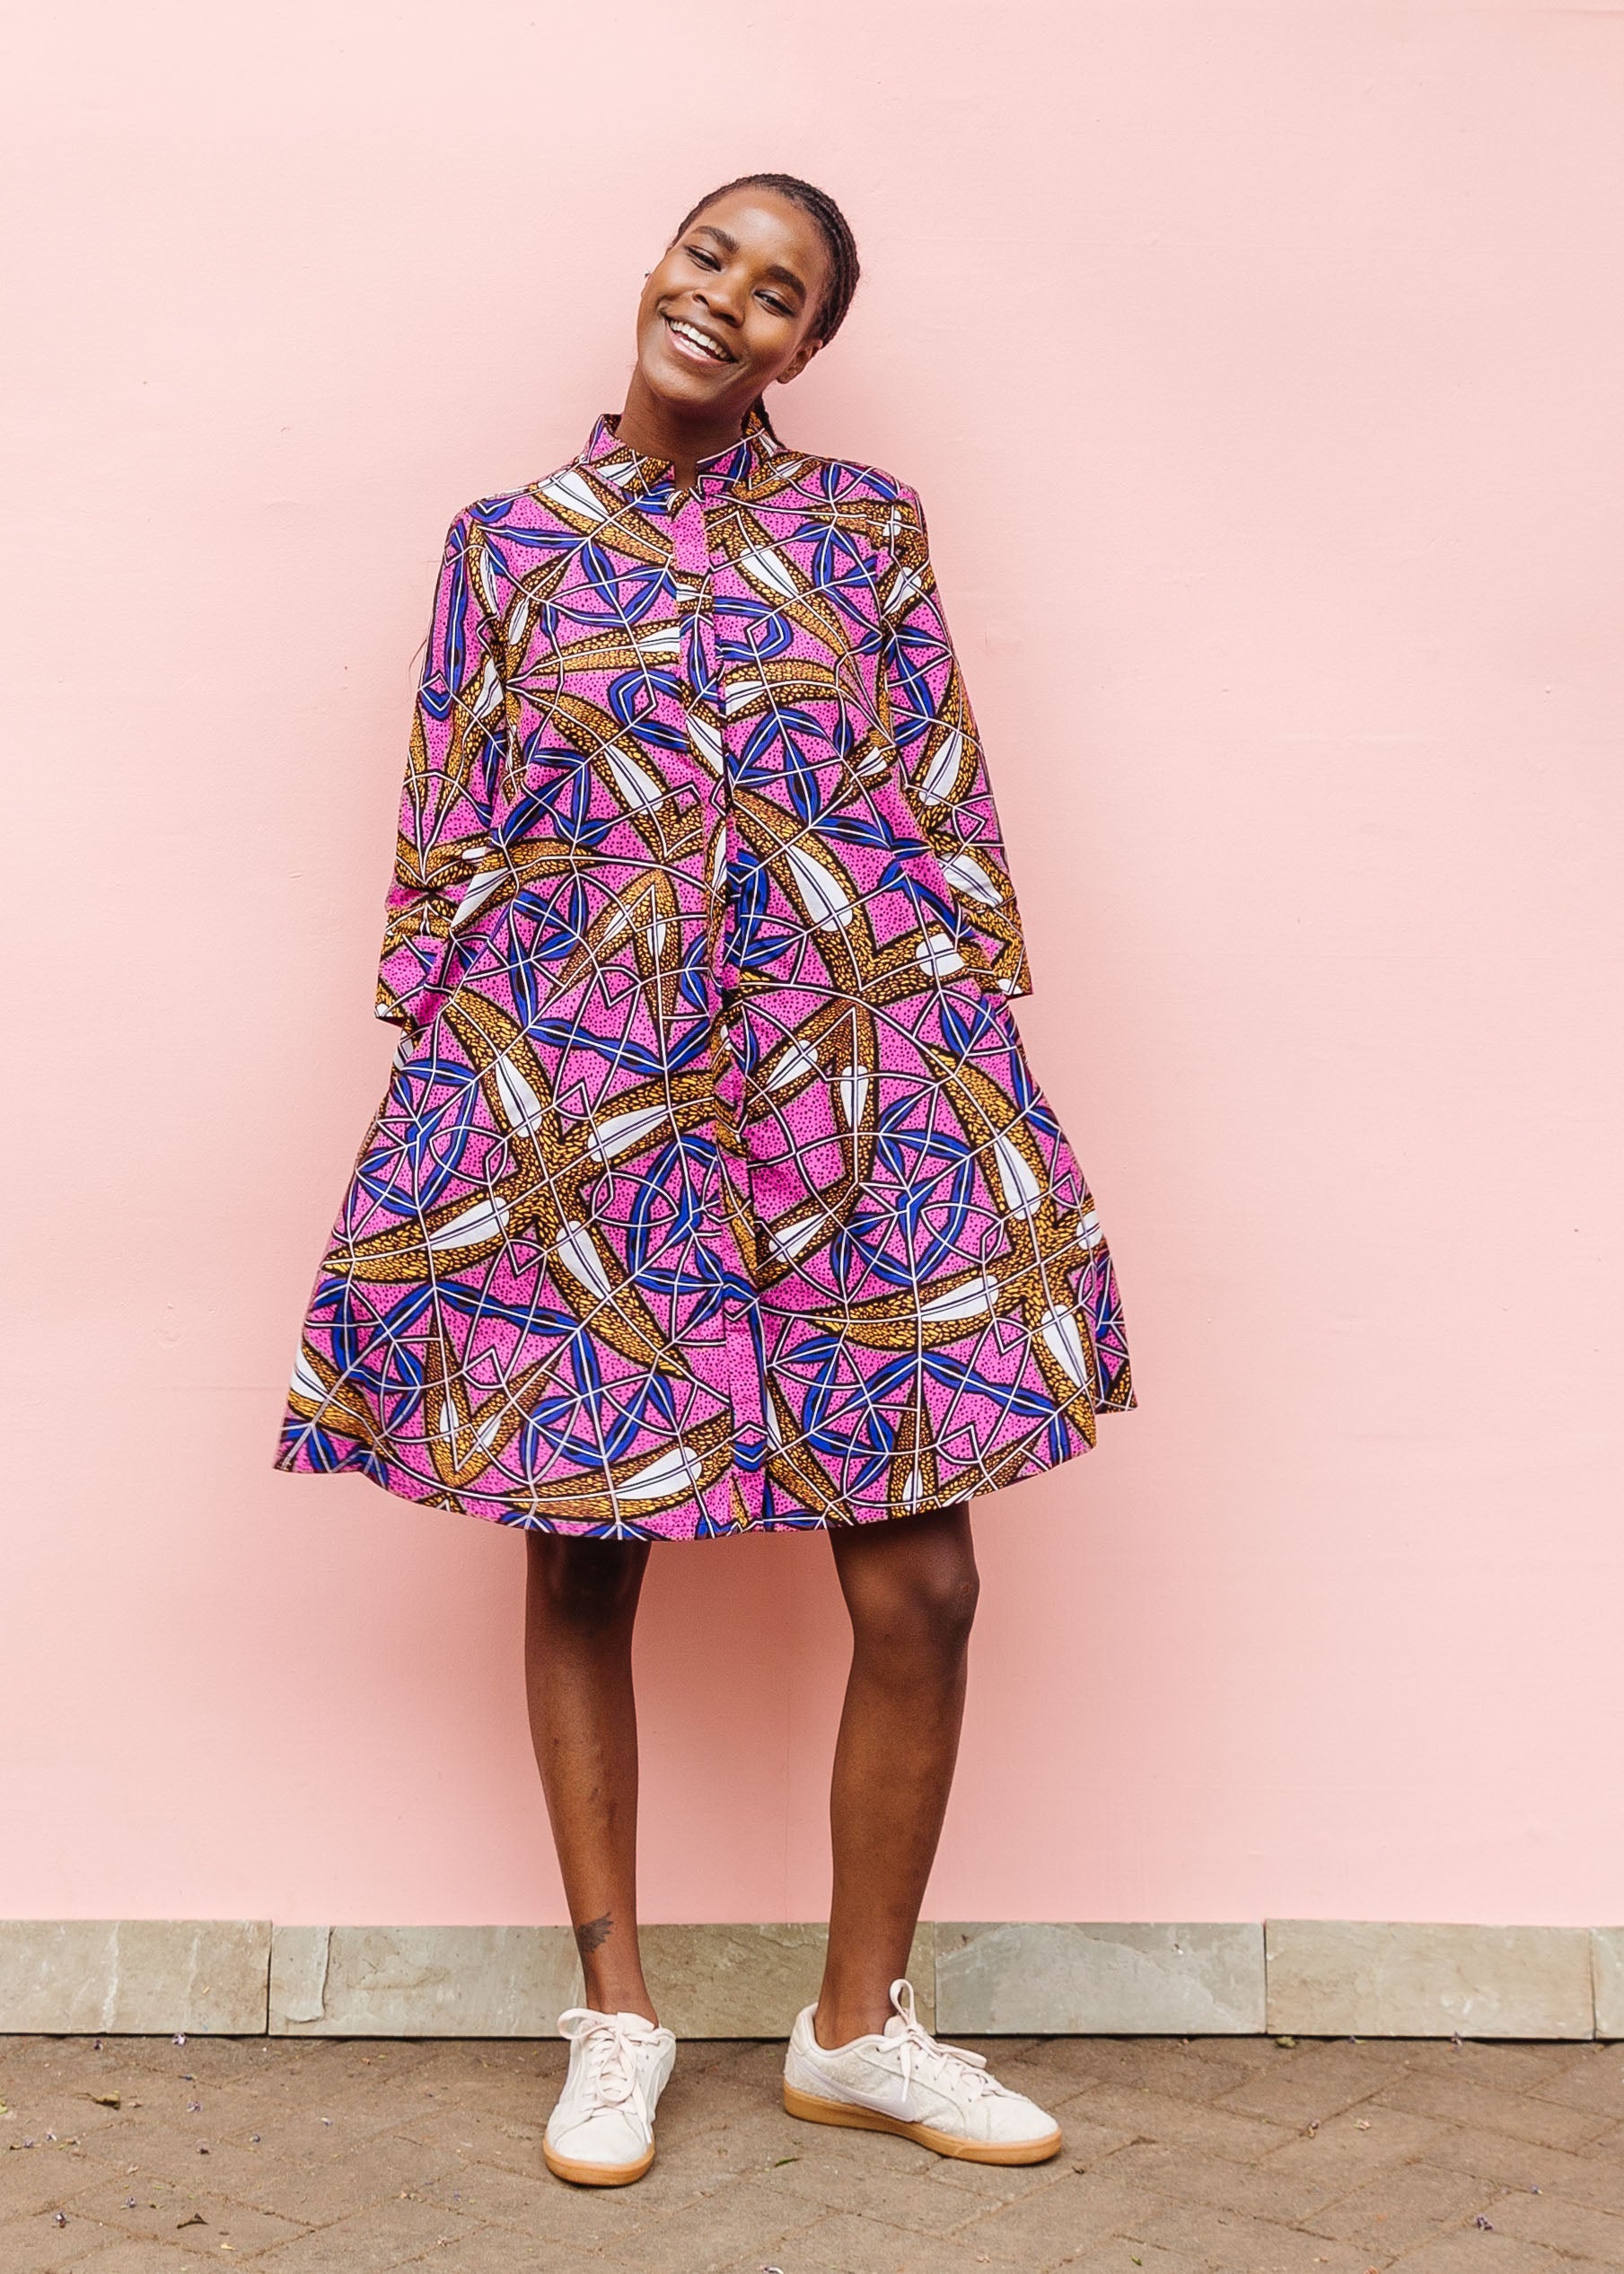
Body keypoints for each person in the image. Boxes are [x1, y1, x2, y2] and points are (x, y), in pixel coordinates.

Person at [276, 171, 1133, 2187]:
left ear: (802, 350)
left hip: (852, 1086)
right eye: (710, 257)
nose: (726, 300)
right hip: (587, 1095)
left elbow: (934, 790)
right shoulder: (505, 549)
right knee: (581, 1547)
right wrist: (466, 1106)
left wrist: (961, 1074)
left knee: (920, 1575)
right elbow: (446, 843)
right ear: (654, 267)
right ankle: (617, 2016)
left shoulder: (864, 529)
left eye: (779, 294)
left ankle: (860, 2027)